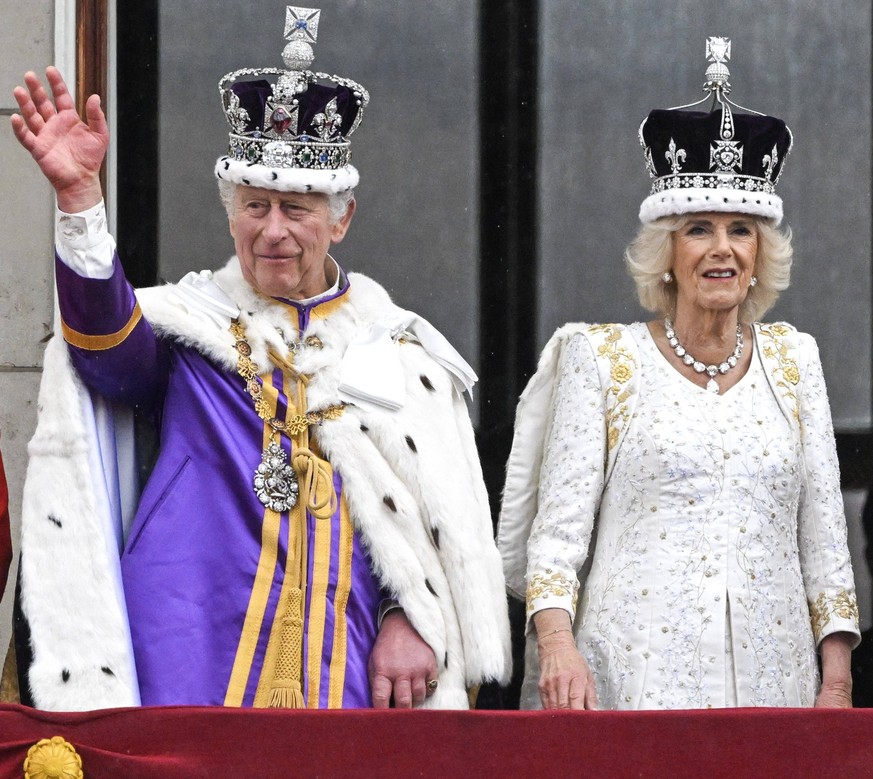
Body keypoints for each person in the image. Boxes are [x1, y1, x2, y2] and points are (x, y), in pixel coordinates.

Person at [10, 8, 510, 711]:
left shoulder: (401, 356)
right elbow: (106, 355)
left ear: (341, 218)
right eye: (254, 206)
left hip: (347, 661)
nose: (272, 230)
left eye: (297, 208)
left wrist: (412, 615)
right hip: (187, 646)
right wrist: (80, 202)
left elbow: (431, 534)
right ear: (230, 210)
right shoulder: (194, 329)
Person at [498, 36, 859, 710]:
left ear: (759, 252)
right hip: (630, 684)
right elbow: (555, 541)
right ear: (665, 249)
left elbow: (824, 540)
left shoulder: (794, 359)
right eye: (698, 228)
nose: (721, 248)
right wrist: (557, 647)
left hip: (772, 688)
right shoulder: (601, 359)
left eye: (740, 230)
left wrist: (834, 682)